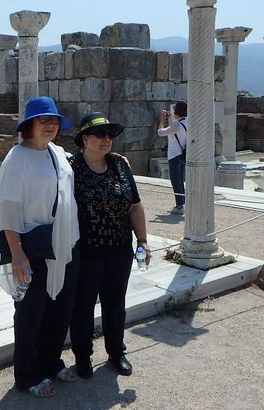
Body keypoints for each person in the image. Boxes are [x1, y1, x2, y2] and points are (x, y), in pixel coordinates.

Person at [0, 96, 80, 398]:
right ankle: (26, 374)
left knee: (59, 307)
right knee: (30, 312)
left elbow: (73, 170)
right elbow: (8, 208)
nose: (50, 125)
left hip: (64, 243)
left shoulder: (57, 152)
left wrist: (114, 158)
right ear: (30, 125)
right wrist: (17, 253)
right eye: (44, 120)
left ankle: (50, 361)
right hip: (32, 248)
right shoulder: (17, 158)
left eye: (54, 120)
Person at [69, 112, 150, 379]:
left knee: (115, 304)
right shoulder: (70, 168)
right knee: (83, 306)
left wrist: (143, 241)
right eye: (100, 134)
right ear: (84, 139)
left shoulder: (120, 165)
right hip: (87, 252)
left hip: (119, 249)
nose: (107, 139)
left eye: (110, 135)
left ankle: (116, 352)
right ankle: (83, 356)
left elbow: (135, 206)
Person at [157, 100, 188, 214]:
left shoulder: (177, 125)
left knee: (175, 181)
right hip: (183, 154)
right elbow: (174, 132)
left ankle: (179, 206)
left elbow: (160, 132)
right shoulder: (186, 123)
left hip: (174, 155)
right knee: (180, 180)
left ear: (177, 112)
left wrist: (162, 120)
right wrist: (169, 120)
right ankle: (183, 203)